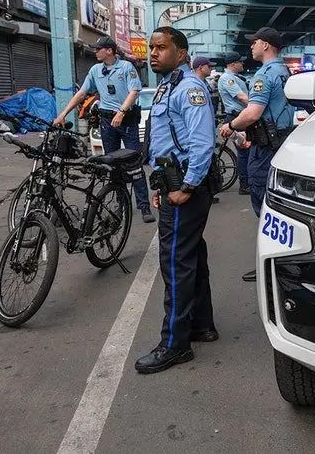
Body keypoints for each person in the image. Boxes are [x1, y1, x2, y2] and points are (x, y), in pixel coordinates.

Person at [135, 27, 218, 374]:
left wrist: (186, 186)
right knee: (190, 255)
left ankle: (174, 344)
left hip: (185, 187)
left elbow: (202, 143)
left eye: (162, 48)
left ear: (181, 53)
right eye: (152, 48)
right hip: (172, 182)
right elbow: (164, 142)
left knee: (174, 263)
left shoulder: (189, 89)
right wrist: (159, 184)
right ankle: (201, 325)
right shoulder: (166, 87)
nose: (153, 53)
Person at [219, 27, 295, 281]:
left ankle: (272, 266)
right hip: (280, 141)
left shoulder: (264, 74)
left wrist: (230, 126)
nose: (250, 47)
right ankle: (282, 262)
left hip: (266, 146)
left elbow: (252, 113)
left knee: (263, 202)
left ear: (265, 45)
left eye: (254, 43)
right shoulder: (284, 71)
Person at [55, 36, 155, 222]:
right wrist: (63, 114)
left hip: (127, 121)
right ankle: (120, 204)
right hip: (107, 122)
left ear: (109, 50)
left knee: (134, 164)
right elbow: (82, 93)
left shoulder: (126, 67)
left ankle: (144, 207)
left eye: (98, 48)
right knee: (112, 164)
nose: (95, 51)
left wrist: (121, 112)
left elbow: (134, 91)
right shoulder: (95, 70)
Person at [217, 51, 251, 195]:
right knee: (244, 151)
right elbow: (241, 97)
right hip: (237, 118)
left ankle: (247, 181)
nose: (242, 64)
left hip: (240, 117)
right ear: (232, 64)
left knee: (248, 151)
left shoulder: (235, 77)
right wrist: (257, 107)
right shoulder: (227, 79)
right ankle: (244, 184)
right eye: (240, 62)